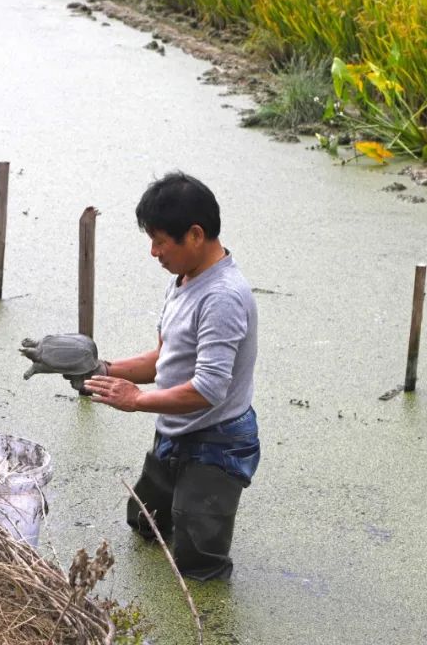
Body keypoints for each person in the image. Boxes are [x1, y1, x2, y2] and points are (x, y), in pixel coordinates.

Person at [82, 171, 260, 581]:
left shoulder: (222, 297)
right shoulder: (184, 279)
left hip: (216, 441)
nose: (153, 252)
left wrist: (137, 400)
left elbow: (208, 390)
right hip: (175, 430)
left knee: (198, 564)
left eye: (161, 241)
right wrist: (101, 370)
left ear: (195, 235)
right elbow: (166, 356)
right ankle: (184, 506)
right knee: (144, 524)